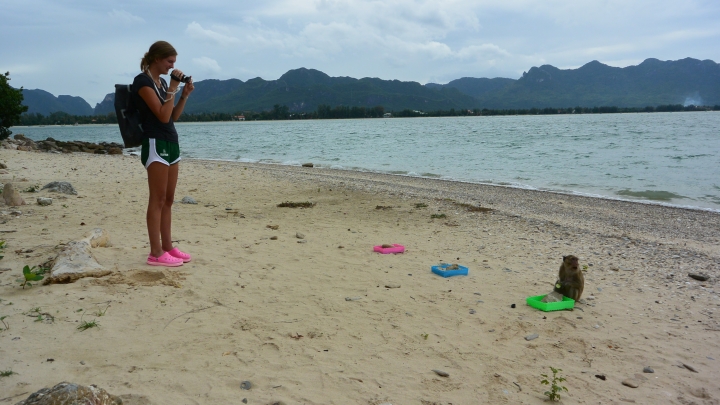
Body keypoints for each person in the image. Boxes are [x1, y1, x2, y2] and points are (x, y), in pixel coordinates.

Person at [134, 41, 194, 266]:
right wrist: (172, 87)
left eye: (174, 63)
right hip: (154, 142)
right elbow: (160, 115)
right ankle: (155, 252)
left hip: (171, 141)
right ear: (157, 59)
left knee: (168, 199)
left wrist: (183, 95)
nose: (172, 66)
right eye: (170, 61)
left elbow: (172, 117)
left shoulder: (160, 83)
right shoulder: (142, 82)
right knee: (157, 199)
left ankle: (167, 246)